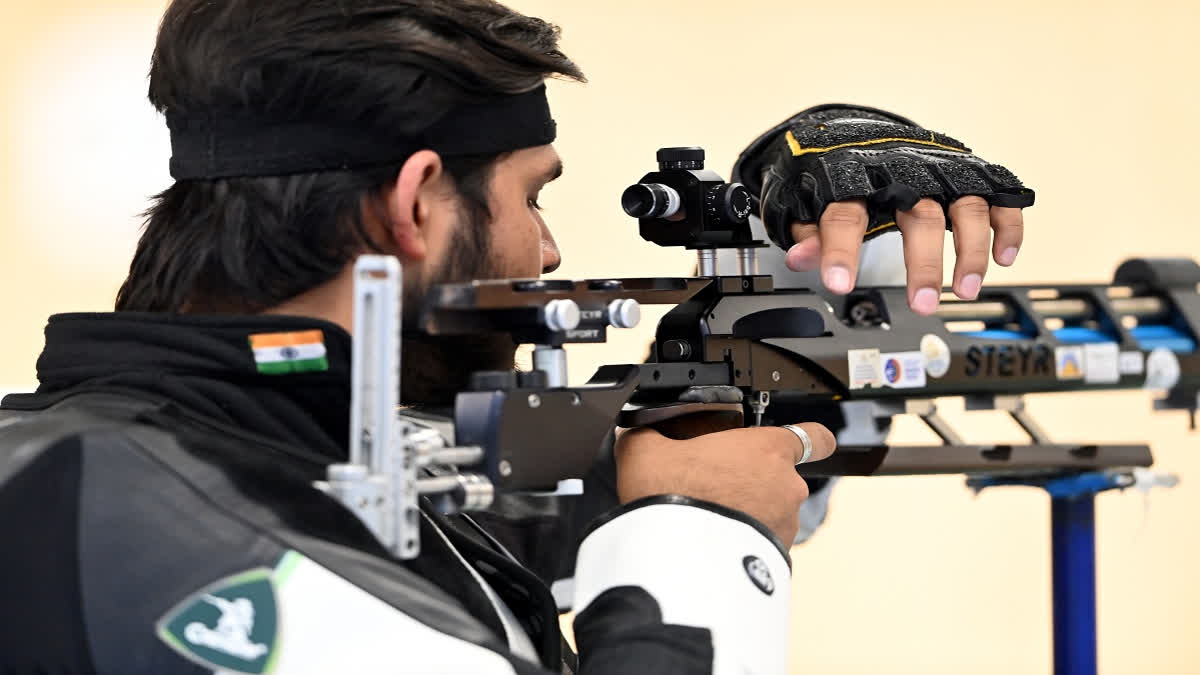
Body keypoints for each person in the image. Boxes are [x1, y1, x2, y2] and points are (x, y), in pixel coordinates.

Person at [0, 1, 1031, 673]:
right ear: (414, 204)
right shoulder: (97, 493)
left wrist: (785, 275)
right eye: (531, 199)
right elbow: (678, 529)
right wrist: (702, 542)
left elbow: (703, 472)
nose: (545, 252)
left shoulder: (321, 457)